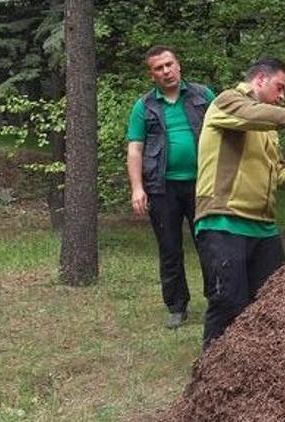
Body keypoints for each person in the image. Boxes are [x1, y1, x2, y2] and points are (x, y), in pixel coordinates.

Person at [194, 57, 285, 350]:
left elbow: (278, 170)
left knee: (275, 302)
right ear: (259, 79)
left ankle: (262, 373)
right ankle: (212, 377)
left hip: (263, 228)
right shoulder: (228, 102)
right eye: (279, 87)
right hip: (224, 220)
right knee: (229, 301)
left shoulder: (267, 127)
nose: (282, 95)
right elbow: (253, 115)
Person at [126, 45, 216, 329]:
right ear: (152, 74)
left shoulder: (203, 96)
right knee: (169, 248)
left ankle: (218, 299)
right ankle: (176, 306)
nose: (166, 71)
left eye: (169, 65)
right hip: (161, 188)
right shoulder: (144, 106)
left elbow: (225, 131)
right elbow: (135, 149)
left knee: (211, 244)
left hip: (203, 185)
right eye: (159, 68)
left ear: (178, 65)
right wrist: (137, 188)